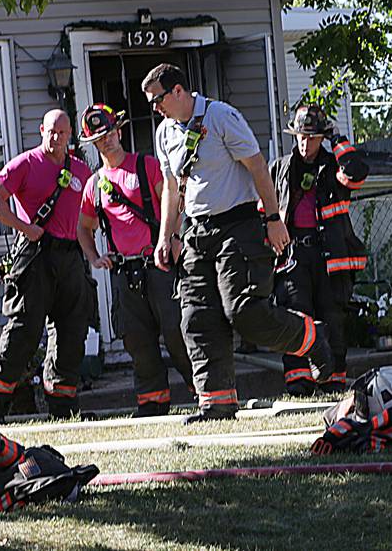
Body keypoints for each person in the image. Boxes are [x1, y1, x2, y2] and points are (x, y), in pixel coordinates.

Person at [141, 63, 333, 422]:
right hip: (198, 233)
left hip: (239, 227)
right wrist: (166, 236)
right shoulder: (165, 132)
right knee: (197, 317)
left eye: (158, 99)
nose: (155, 108)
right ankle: (217, 402)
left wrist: (274, 219)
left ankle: (310, 337)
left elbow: (258, 167)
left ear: (179, 91)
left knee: (244, 310)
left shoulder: (222, 116)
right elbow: (171, 187)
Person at [76, 103, 195, 416]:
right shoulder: (93, 185)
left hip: (160, 264)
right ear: (93, 144)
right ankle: (153, 402)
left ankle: (204, 390)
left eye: (110, 132)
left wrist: (172, 238)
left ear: (120, 130)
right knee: (138, 341)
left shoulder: (147, 166)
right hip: (124, 272)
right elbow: (83, 229)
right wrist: (95, 257)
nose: (107, 140)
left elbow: (173, 204)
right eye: (100, 138)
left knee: (176, 330)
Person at [0, 109, 93, 421]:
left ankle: (63, 408)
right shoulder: (26, 163)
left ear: (71, 135)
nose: (56, 138)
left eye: (63, 133)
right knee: (23, 332)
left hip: (71, 258)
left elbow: (95, 213)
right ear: (42, 130)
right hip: (36, 255)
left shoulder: (82, 171)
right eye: (51, 132)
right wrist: (24, 227)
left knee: (72, 333)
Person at [271, 104, 368, 396]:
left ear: (321, 137)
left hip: (330, 256)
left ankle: (331, 381)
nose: (304, 142)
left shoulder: (334, 168)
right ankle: (299, 383)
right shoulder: (280, 168)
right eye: (300, 136)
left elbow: (357, 172)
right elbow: (265, 210)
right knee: (294, 315)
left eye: (311, 137)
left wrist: (337, 139)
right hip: (293, 256)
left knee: (332, 316)